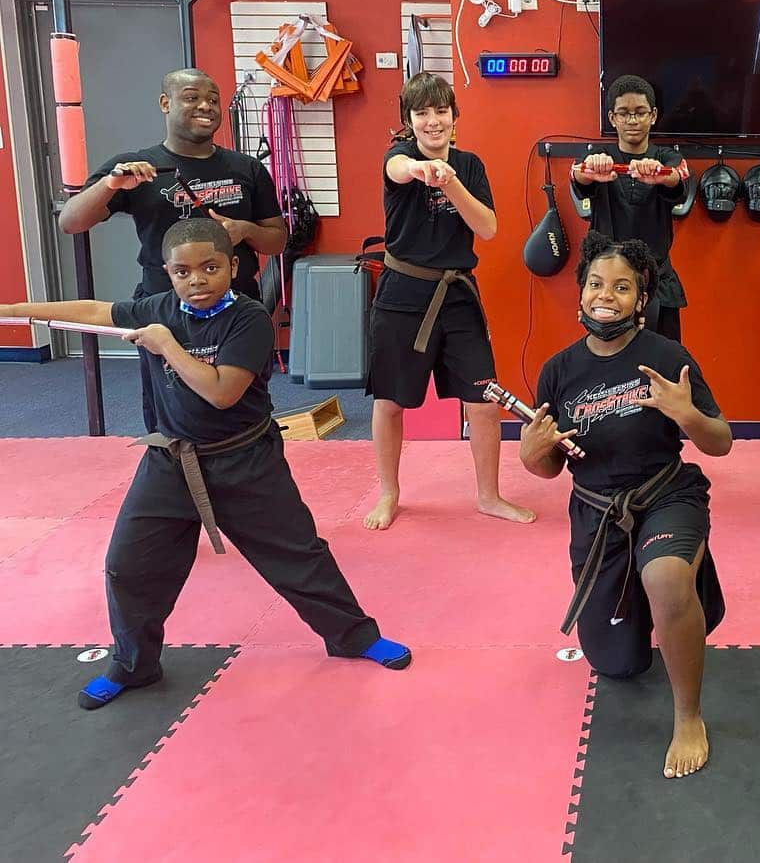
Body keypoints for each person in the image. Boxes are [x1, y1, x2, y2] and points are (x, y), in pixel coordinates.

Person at [0, 219, 410, 709]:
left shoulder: (249, 319)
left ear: (232, 267)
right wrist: (14, 310)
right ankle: (135, 666)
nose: (197, 281)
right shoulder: (158, 308)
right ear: (168, 274)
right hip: (169, 461)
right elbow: (95, 310)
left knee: (299, 556)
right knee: (127, 567)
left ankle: (354, 637)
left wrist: (166, 344)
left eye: (210, 267)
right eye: (182, 272)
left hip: (245, 460)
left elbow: (221, 393)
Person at [521, 230, 729, 779]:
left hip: (665, 494)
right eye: (594, 283)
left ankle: (688, 716)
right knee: (619, 664)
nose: (604, 295)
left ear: (642, 299)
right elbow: (548, 467)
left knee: (664, 578)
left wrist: (686, 414)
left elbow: (720, 441)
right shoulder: (559, 371)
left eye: (621, 286)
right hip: (597, 513)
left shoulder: (666, 356)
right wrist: (530, 453)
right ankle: (670, 600)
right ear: (582, 292)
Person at [58, 68, 287, 433]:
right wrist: (111, 184)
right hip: (165, 306)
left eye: (213, 100)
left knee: (241, 405)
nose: (206, 106)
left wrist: (244, 230)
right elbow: (71, 222)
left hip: (236, 308)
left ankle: (247, 470)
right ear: (166, 103)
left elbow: (278, 240)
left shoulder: (247, 168)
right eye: (192, 97)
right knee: (172, 408)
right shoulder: (136, 167)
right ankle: (174, 475)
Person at [363, 72, 531, 530]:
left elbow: (489, 229)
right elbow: (396, 170)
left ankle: (489, 495)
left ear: (455, 117)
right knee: (391, 400)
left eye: (441, 111)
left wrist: (449, 182)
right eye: (422, 113)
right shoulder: (399, 157)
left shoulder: (470, 165)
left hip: (457, 294)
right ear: (408, 120)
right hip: (402, 294)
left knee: (483, 399)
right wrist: (419, 169)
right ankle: (389, 492)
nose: (433, 121)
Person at [572, 74, 691, 342]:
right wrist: (593, 169)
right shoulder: (598, 157)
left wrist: (659, 175)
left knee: (663, 363)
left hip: (658, 282)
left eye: (640, 113)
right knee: (607, 362)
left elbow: (678, 177)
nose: (633, 120)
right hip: (607, 282)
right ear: (613, 118)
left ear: (653, 115)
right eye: (624, 114)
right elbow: (577, 174)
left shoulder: (667, 158)